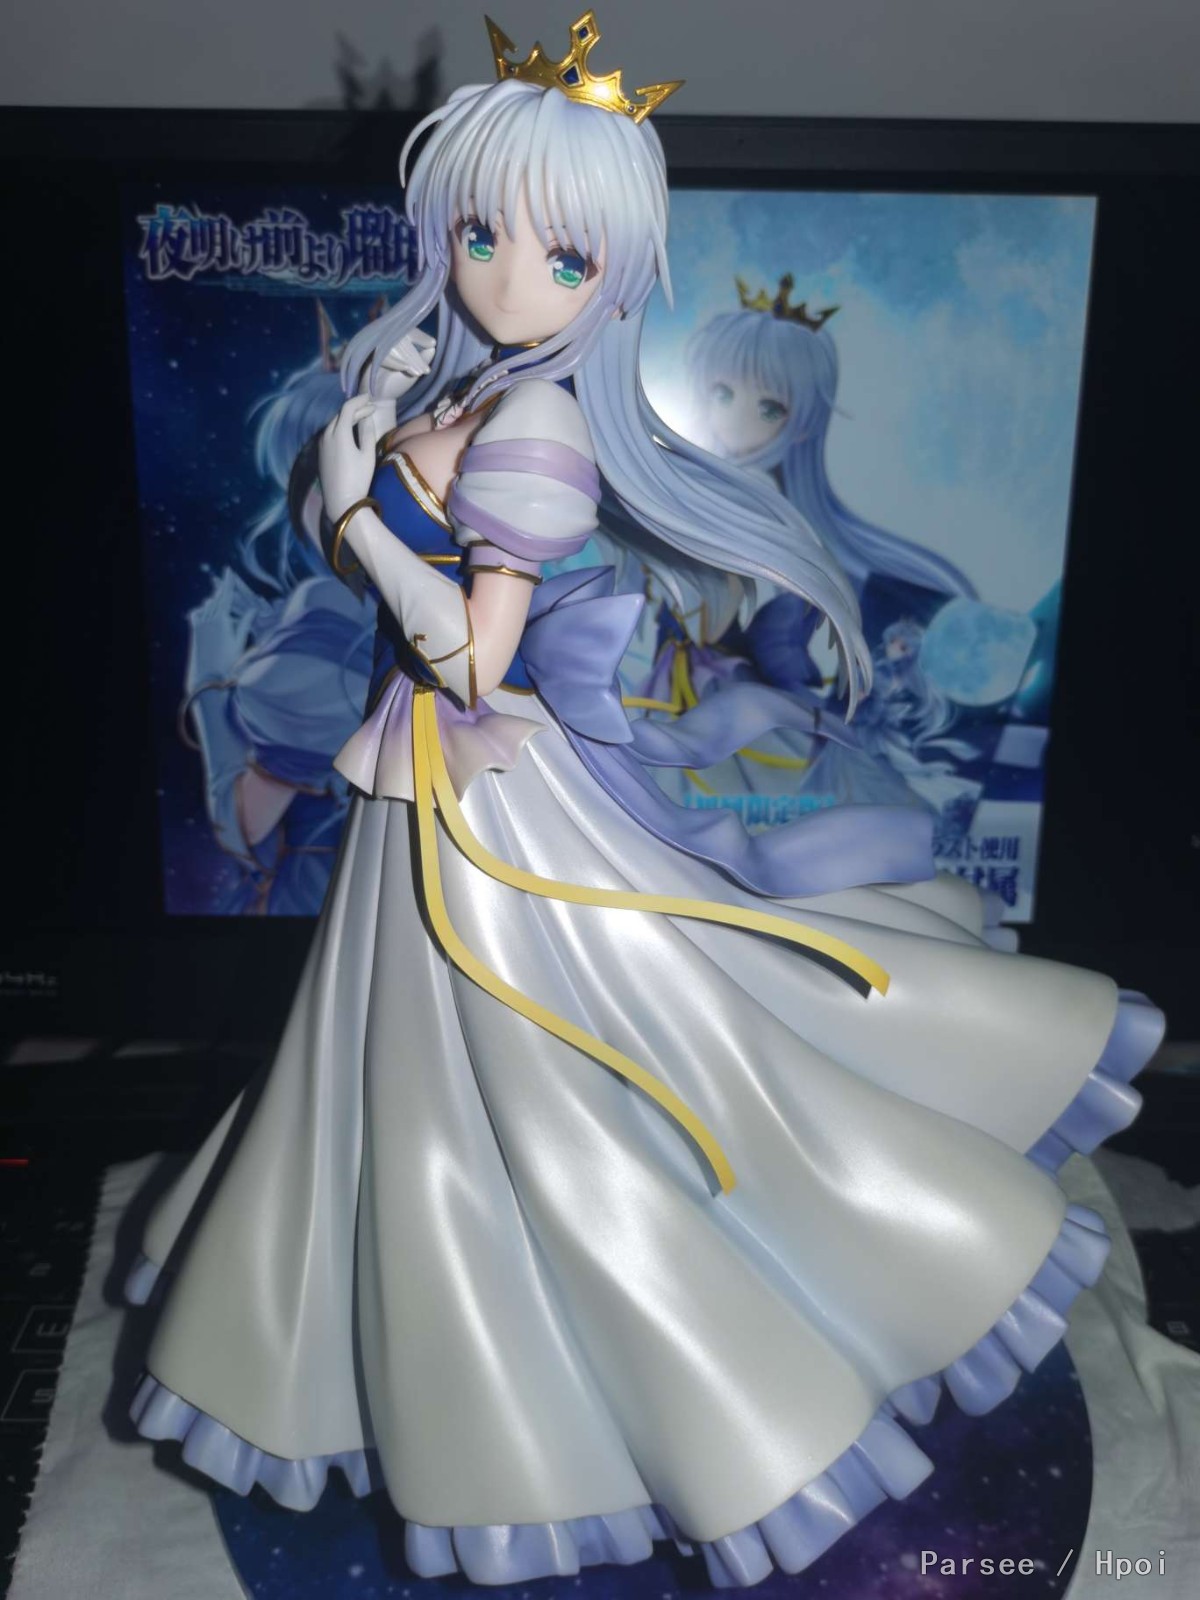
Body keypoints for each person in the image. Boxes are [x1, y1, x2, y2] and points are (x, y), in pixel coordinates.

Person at [125, 13, 1161, 1589]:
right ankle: (455, 1368)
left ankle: (647, 1392)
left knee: (537, 1097)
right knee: (403, 1081)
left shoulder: (539, 426)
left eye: (560, 253)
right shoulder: (468, 383)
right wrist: (372, 426)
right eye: (479, 233)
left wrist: (356, 508)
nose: (505, 276)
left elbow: (471, 657)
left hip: (496, 807)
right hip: (439, 797)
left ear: (615, 273)